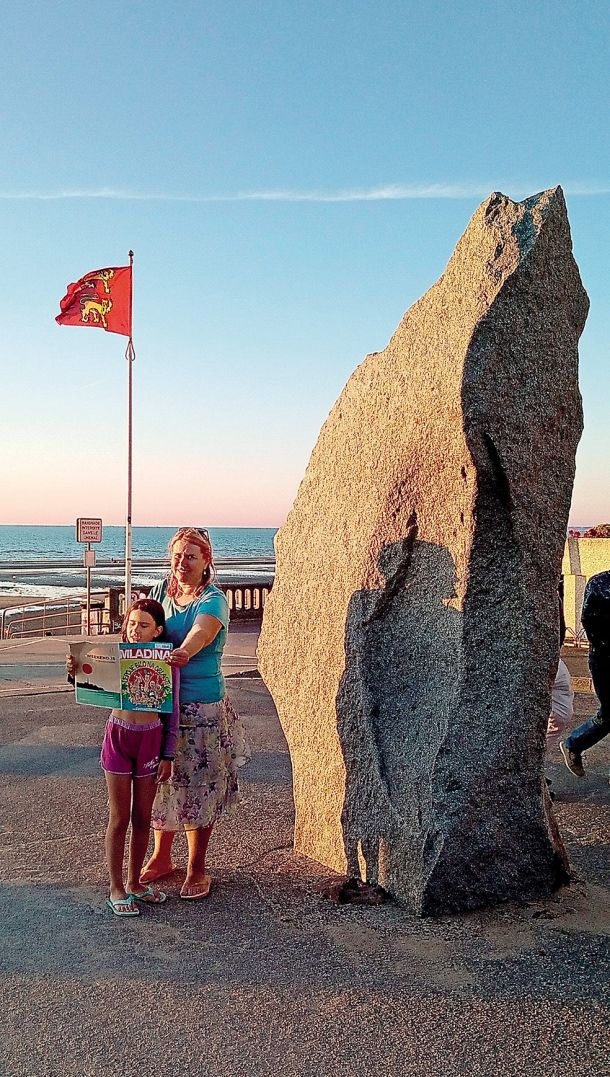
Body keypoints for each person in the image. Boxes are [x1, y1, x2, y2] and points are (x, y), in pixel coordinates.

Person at [140, 527, 249, 900]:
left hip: (200, 705)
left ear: (206, 562)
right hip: (160, 702)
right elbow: (142, 627)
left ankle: (197, 866)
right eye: (176, 555)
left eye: (190, 556)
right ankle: (161, 856)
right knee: (163, 782)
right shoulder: (161, 592)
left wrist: (184, 651)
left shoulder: (213, 600)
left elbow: (200, 633)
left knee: (197, 786)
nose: (181, 563)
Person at [67, 598, 179, 916]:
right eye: (131, 622)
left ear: (157, 631)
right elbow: (89, 685)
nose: (135, 629)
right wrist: (73, 672)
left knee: (144, 817)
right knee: (120, 817)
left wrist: (168, 755)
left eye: (144, 625)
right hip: (118, 736)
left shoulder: (166, 661)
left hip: (150, 739)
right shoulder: (112, 656)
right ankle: (116, 887)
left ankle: (135, 883)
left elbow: (171, 712)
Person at [561, 570, 610, 778]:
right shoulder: (600, 584)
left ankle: (575, 743)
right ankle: (574, 743)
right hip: (605, 661)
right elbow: (590, 626)